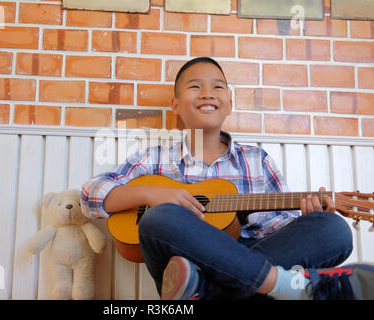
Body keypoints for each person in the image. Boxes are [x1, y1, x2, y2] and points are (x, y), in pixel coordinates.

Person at [81, 57, 374, 300]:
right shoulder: (153, 159)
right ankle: (275, 284)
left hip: (248, 258)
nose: (208, 93)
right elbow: (90, 194)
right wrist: (151, 195)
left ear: (229, 103)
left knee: (333, 229)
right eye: (195, 86)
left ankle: (210, 293)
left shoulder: (256, 160)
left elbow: (279, 228)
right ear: (175, 105)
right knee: (160, 218)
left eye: (217, 86)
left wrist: (307, 217)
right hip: (186, 263)